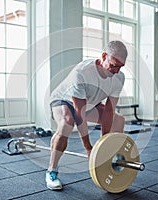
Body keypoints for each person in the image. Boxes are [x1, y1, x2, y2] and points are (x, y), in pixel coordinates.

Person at [46, 40, 128, 190]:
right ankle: (52, 171)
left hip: (90, 102)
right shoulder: (82, 73)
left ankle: (110, 159)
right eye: (114, 65)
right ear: (104, 56)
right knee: (67, 123)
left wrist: (103, 146)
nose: (117, 70)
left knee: (119, 120)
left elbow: (109, 111)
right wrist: (89, 149)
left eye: (121, 67)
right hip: (63, 100)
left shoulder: (119, 77)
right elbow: (79, 114)